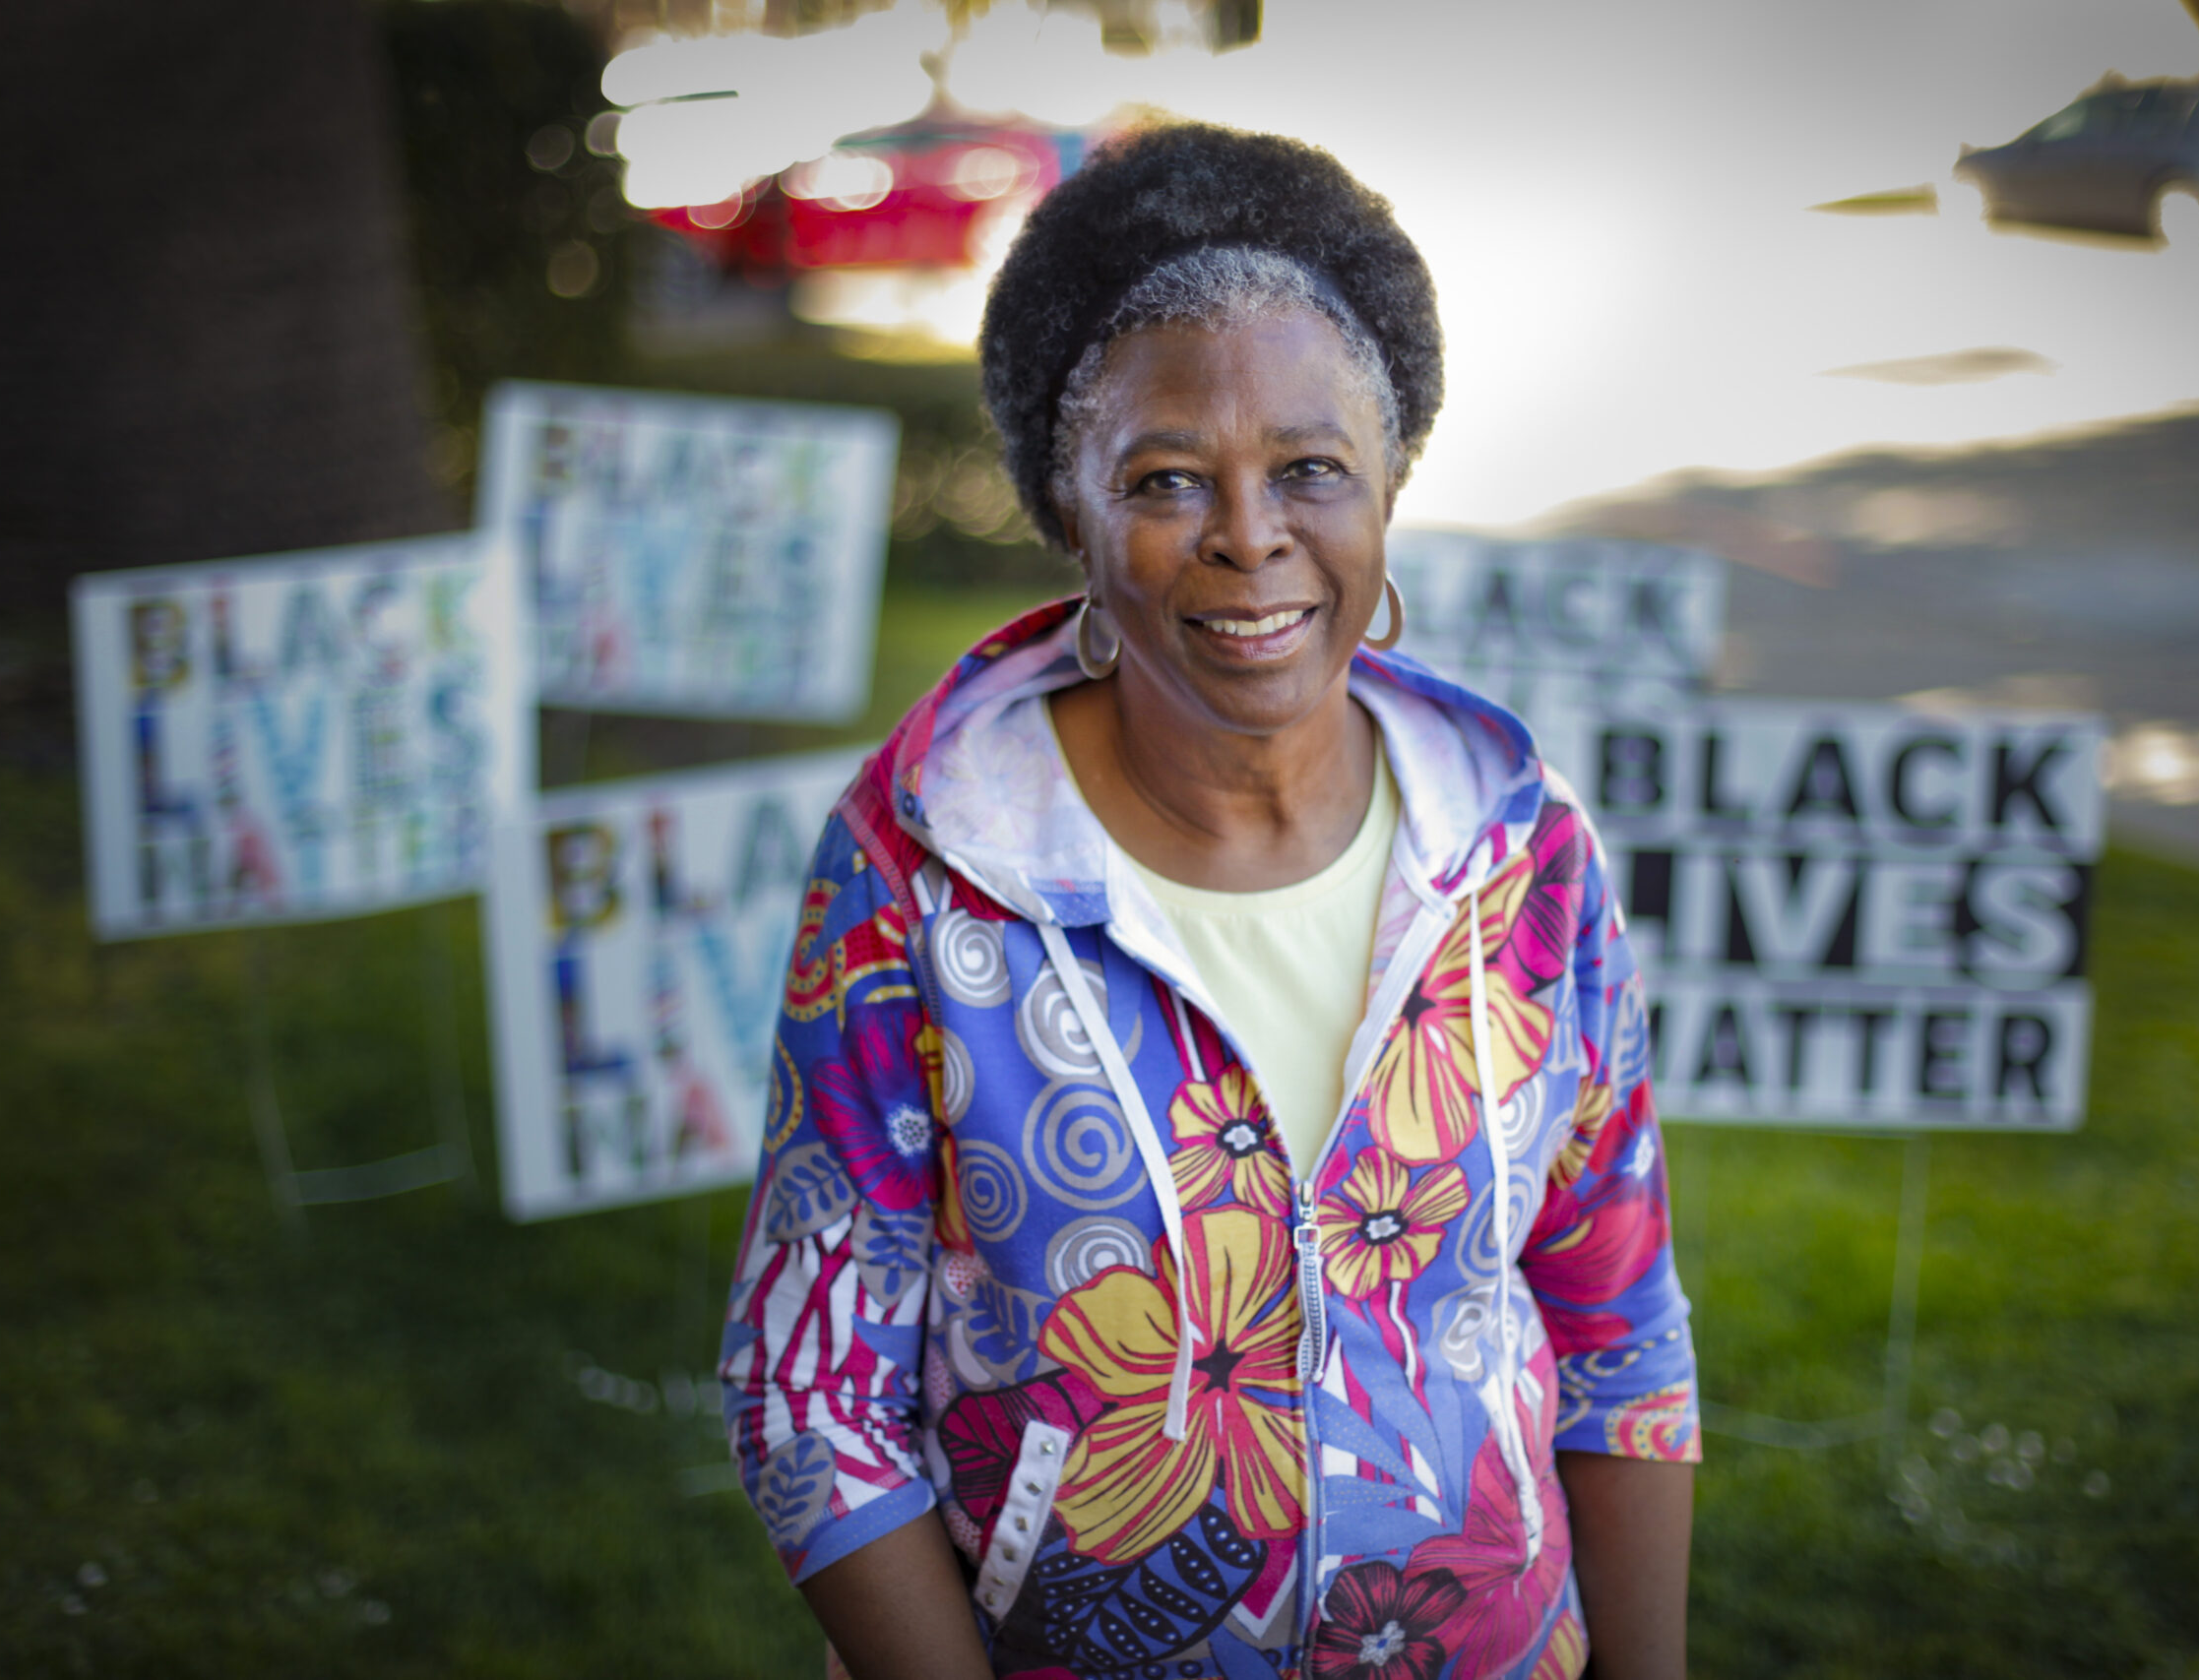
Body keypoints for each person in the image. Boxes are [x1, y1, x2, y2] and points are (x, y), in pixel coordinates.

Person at [721, 122, 1698, 1680]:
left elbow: (1617, 1320)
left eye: (1312, 470)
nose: (1252, 537)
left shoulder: (1519, 853)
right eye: (1169, 479)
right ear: (1072, 515)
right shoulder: (919, 869)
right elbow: (808, 1395)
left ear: (1387, 494)